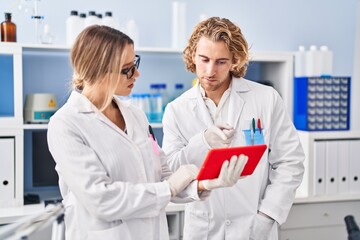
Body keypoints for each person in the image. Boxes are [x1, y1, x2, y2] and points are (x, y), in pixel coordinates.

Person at [47, 25, 249, 240]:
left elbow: (162, 175)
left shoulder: (136, 116)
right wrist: (168, 189)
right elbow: (101, 199)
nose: (137, 73)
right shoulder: (66, 124)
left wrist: (204, 184)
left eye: (134, 63)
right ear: (97, 71)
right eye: (127, 69)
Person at [162, 17, 305, 240]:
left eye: (220, 62)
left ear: (235, 61)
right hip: (204, 229)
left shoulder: (266, 99)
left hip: (254, 226)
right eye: (204, 59)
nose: (210, 71)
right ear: (192, 56)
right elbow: (171, 174)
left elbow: (290, 162)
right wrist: (202, 143)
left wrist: (267, 216)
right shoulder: (176, 110)